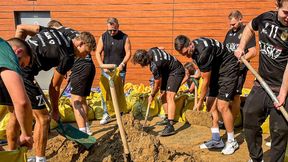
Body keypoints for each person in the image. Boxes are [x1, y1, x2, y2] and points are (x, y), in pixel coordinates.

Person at [8, 24, 96, 162]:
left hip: (12, 70)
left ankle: (12, 156)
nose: (85, 56)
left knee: (15, 115)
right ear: (80, 43)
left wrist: (11, 57)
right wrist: (55, 110)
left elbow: (22, 28)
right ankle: (40, 159)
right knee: (44, 119)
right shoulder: (68, 56)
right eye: (86, 52)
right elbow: (54, 86)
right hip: (24, 73)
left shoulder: (54, 32)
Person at [234, 0, 288, 161]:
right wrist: (241, 47)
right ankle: (256, 158)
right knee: (249, 118)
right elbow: (250, 27)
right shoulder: (265, 19)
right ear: (276, 6)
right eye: (286, 12)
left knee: (279, 131)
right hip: (261, 84)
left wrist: (283, 94)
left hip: (283, 86)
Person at [175, 35, 239, 155]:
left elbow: (205, 81)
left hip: (228, 68)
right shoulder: (195, 48)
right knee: (210, 105)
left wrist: (199, 102)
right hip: (216, 69)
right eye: (182, 54)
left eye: (186, 52)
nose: (186, 56)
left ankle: (232, 141)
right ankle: (216, 140)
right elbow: (202, 68)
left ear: (190, 44)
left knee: (222, 106)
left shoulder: (203, 51)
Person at [47, 20, 96, 135]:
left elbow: (58, 54)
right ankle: (87, 128)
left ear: (52, 28)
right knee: (82, 100)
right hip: (90, 67)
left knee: (75, 101)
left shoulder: (58, 34)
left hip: (80, 67)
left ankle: (83, 132)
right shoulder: (71, 31)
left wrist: (61, 69)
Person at [132, 47, 185, 136]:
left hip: (176, 71)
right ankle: (167, 117)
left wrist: (152, 95)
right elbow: (161, 48)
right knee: (163, 95)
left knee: (169, 96)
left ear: (143, 61)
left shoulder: (155, 66)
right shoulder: (151, 50)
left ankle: (170, 126)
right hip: (166, 72)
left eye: (140, 63)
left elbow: (157, 84)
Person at [95, 17, 131, 125]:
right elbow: (97, 52)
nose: (111, 32)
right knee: (105, 93)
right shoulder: (103, 37)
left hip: (120, 70)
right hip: (106, 69)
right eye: (109, 30)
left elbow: (128, 52)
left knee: (118, 92)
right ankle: (106, 113)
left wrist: (122, 64)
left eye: (114, 30)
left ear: (118, 27)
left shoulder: (124, 37)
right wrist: (102, 65)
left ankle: (119, 114)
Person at [224, 10, 256, 126]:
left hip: (239, 69)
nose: (231, 26)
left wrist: (239, 61)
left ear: (240, 20)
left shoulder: (247, 33)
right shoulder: (229, 33)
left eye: (234, 24)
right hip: (227, 69)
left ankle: (233, 122)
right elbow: (225, 50)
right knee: (227, 95)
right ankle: (227, 119)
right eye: (230, 24)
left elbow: (253, 52)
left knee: (236, 95)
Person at [0, 37, 33, 151]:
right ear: (18, 51)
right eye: (22, 64)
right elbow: (22, 102)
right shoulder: (4, 49)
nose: (19, 68)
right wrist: (27, 135)